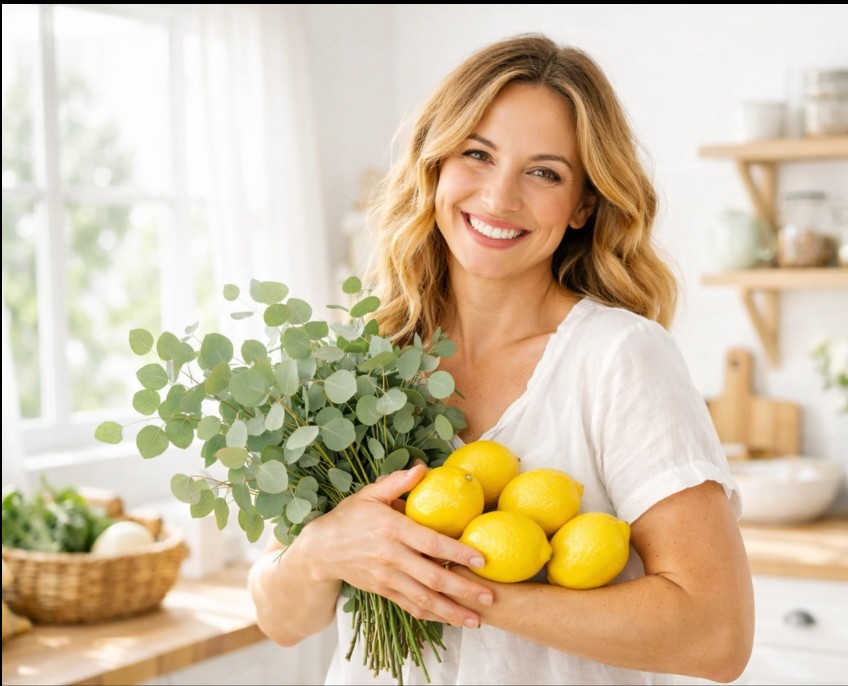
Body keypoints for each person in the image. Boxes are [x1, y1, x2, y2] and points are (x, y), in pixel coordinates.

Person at [248, 33, 754, 685]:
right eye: (477, 154)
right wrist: (320, 552)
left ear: (584, 204)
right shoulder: (361, 360)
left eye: (544, 172)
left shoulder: (619, 358)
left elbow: (715, 633)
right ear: (435, 165)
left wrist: (451, 588)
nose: (498, 198)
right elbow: (281, 619)